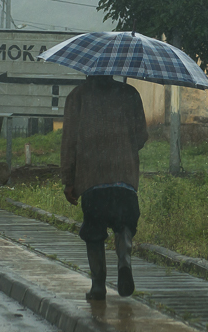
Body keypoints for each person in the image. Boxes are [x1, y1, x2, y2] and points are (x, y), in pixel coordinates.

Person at [60, 75, 149, 301]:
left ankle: (98, 285)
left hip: (92, 180)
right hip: (124, 178)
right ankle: (124, 262)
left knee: (94, 231)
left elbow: (69, 141)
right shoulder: (130, 93)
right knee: (125, 223)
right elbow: (141, 137)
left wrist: (69, 180)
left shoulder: (77, 96)